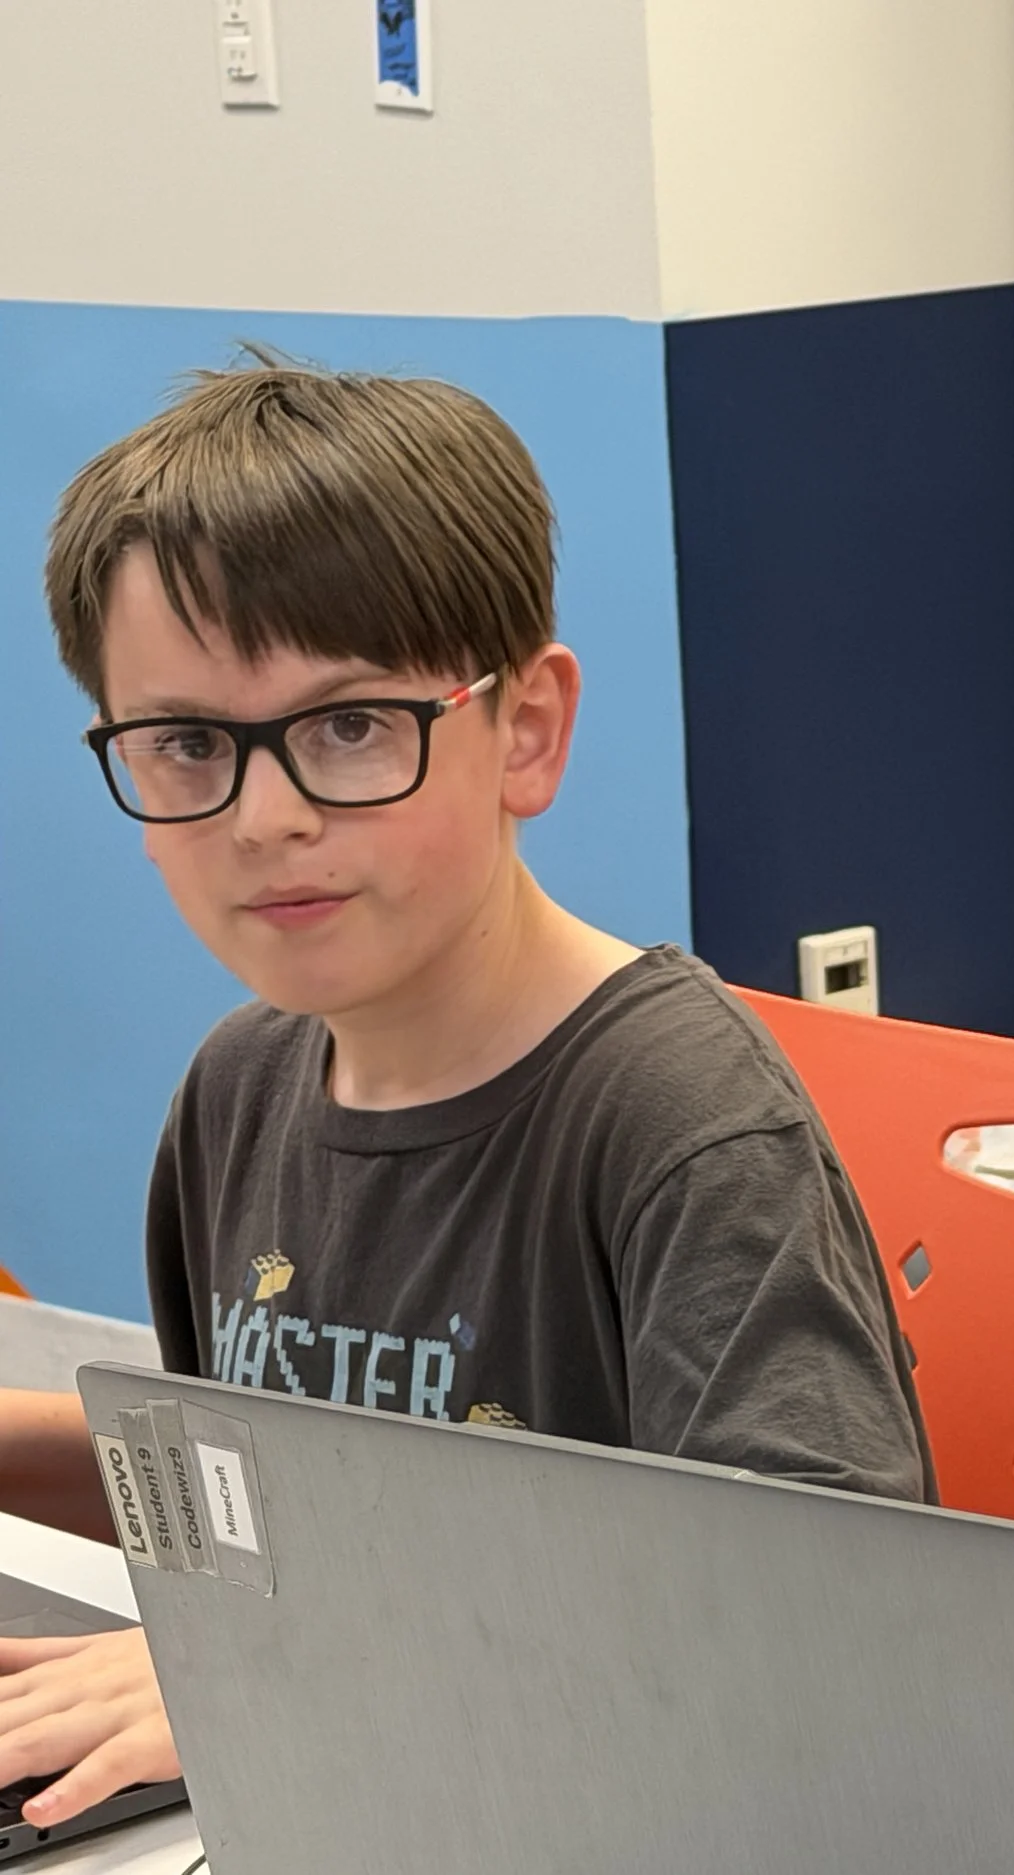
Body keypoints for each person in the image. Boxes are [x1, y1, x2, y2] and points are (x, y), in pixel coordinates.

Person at [0, 362, 934, 1824]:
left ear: (526, 731)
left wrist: (292, 1659)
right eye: (186, 744)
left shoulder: (680, 1127)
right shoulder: (238, 1089)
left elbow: (825, 1640)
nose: (267, 817)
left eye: (353, 724)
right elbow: (240, 1485)